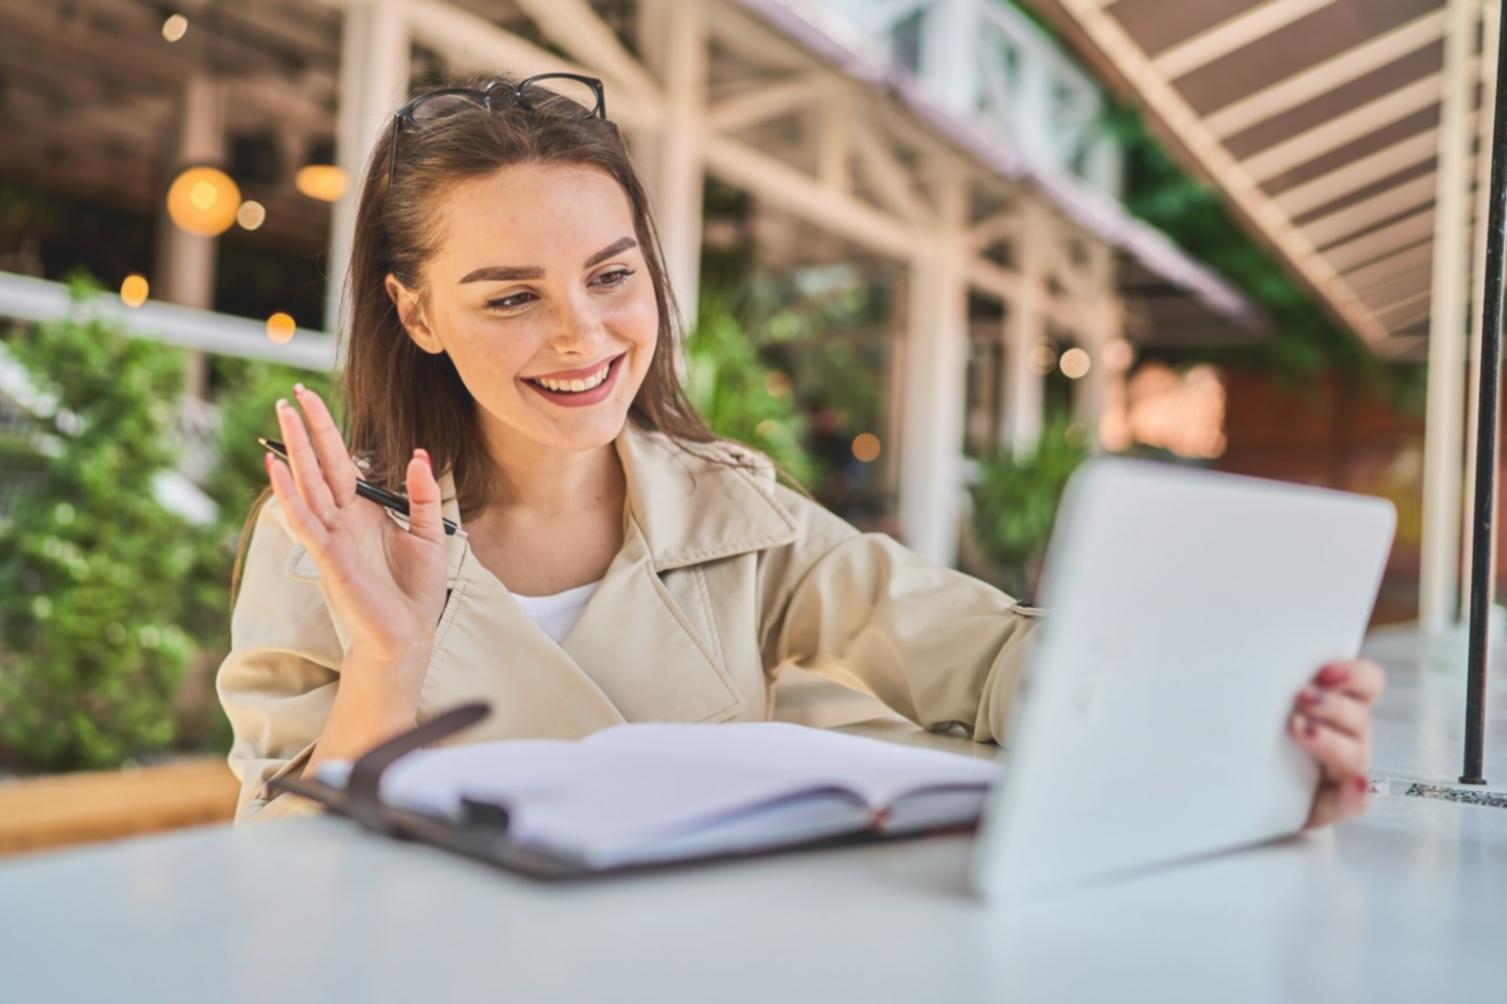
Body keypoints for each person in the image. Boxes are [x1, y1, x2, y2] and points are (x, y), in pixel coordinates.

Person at [216, 75, 1383, 829]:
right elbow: (281, 872)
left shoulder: (732, 516)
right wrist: (387, 655)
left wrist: (1236, 730)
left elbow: (982, 660)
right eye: (510, 295)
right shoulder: (332, 537)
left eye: (612, 275)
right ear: (417, 314)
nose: (582, 335)